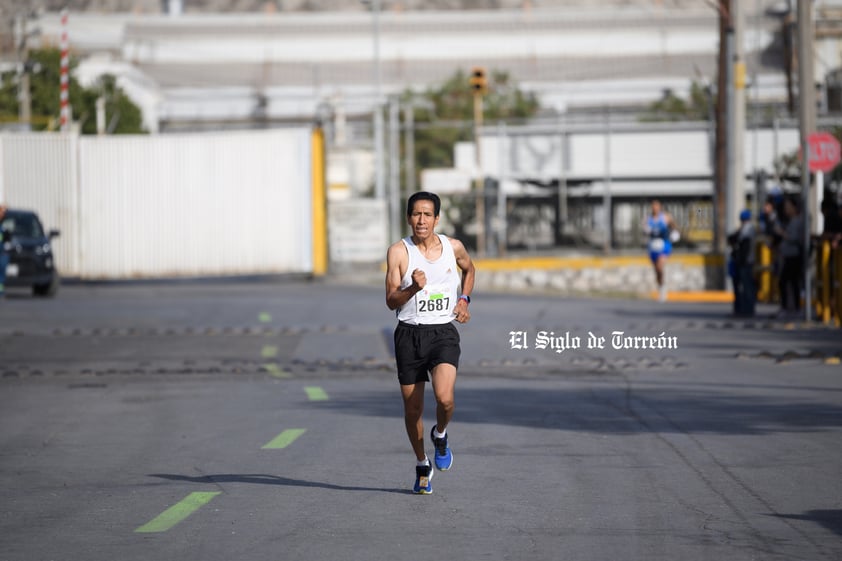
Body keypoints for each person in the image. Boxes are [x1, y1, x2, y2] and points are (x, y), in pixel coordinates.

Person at [385, 191, 475, 495]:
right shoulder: (399, 252)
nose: (420, 220)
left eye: (426, 214)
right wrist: (412, 288)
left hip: (442, 333)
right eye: (415, 214)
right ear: (408, 217)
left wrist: (463, 299)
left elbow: (470, 269)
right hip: (409, 335)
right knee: (413, 410)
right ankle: (422, 464)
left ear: (437, 218)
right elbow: (390, 300)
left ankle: (441, 433)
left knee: (445, 398)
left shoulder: (454, 247)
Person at [774, 196, 805, 318]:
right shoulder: (790, 220)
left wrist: (781, 232)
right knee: (787, 282)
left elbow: (795, 238)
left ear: (795, 208)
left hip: (794, 256)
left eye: (788, 207)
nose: (786, 210)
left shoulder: (798, 221)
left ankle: (792, 308)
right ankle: (789, 307)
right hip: (788, 255)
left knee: (789, 281)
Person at [642, 199, 676, 302]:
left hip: (664, 245)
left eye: (656, 206)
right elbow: (644, 230)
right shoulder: (648, 219)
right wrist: (646, 229)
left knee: (660, 266)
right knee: (657, 270)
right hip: (653, 247)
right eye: (653, 206)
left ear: (660, 207)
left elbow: (673, 226)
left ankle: (662, 289)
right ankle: (661, 286)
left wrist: (674, 233)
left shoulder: (665, 217)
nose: (655, 208)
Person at [728, 209, 756, 317]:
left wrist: (741, 259)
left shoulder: (748, 230)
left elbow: (745, 246)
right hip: (741, 262)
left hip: (746, 262)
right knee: (741, 286)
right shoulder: (743, 229)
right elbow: (731, 238)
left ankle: (748, 309)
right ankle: (741, 309)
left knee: (747, 286)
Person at [0, 204, 9, 299]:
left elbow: (7, 238)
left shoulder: (4, 226)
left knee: (2, 271)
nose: (2, 214)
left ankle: (1, 290)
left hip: (2, 252)